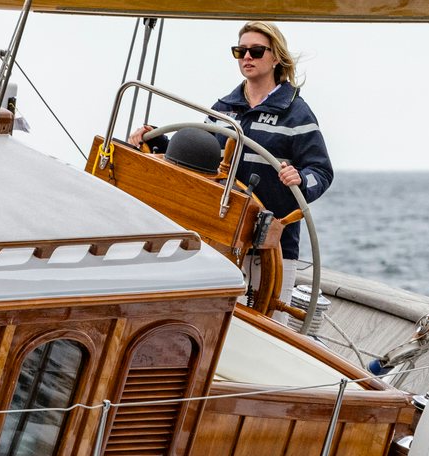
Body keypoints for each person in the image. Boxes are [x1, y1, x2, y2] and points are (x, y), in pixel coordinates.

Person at [129, 21, 332, 284]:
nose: (247, 57)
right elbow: (201, 160)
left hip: (272, 247)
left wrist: (301, 179)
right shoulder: (222, 109)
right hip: (219, 238)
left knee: (268, 320)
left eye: (256, 51)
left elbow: (321, 171)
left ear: (276, 57)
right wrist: (156, 141)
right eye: (241, 51)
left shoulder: (296, 114)